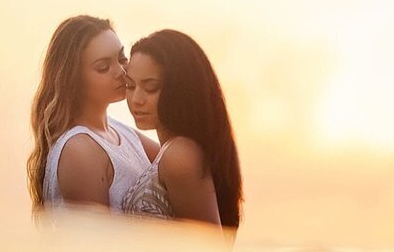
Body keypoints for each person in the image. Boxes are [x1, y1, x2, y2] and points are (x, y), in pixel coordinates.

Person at [27, 15, 160, 218]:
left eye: (122, 58)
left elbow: (175, 162)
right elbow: (99, 248)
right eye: (103, 67)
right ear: (73, 79)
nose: (120, 71)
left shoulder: (118, 131)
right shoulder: (80, 150)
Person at [121, 29, 243, 237]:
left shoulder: (180, 155)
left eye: (151, 88)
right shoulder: (172, 151)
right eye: (130, 86)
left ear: (181, 90)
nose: (136, 99)